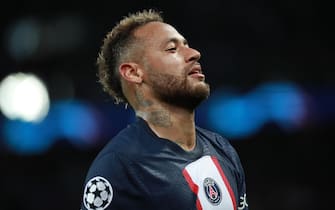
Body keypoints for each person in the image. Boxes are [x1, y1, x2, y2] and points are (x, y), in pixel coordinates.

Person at [80, 9, 248, 210]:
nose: (194, 53)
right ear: (134, 73)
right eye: (172, 49)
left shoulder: (223, 150)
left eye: (186, 45)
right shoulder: (119, 168)